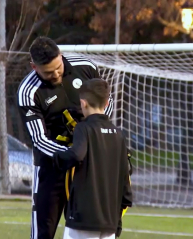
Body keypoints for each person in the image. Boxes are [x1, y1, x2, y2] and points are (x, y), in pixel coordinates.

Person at [17, 36, 114, 239]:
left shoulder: (86, 67)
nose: (56, 75)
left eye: (58, 68)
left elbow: (106, 103)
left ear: (61, 55)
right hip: (52, 167)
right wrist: (73, 153)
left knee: (91, 228)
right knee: (43, 232)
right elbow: (39, 139)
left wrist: (91, 142)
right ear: (34, 66)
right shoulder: (28, 92)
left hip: (86, 166)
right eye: (48, 72)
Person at [52, 78, 133, 239]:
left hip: (83, 218)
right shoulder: (118, 134)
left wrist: (57, 156)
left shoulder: (84, 128)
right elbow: (126, 175)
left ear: (83, 103)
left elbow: (76, 154)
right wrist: (118, 219)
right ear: (107, 104)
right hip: (109, 220)